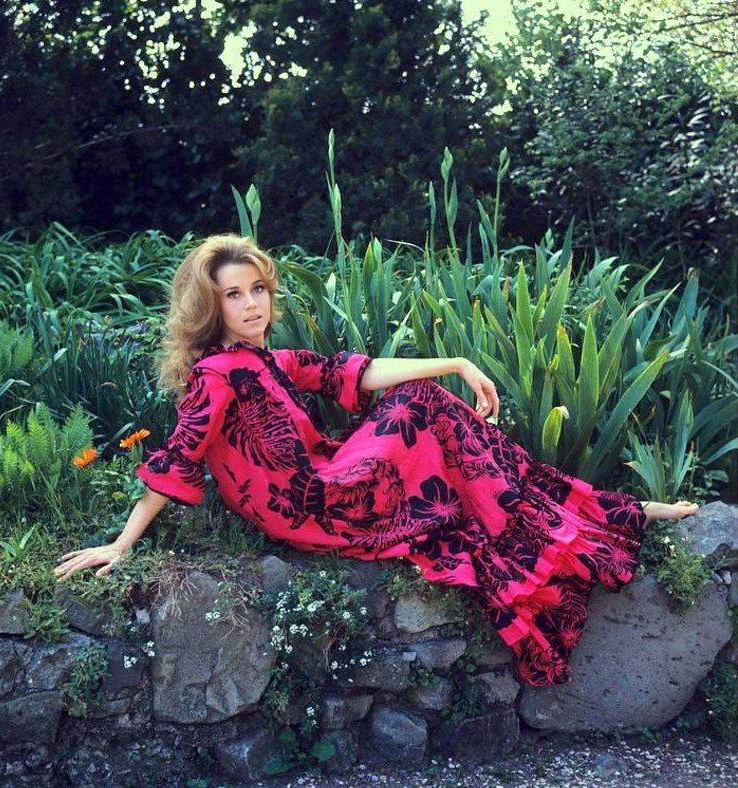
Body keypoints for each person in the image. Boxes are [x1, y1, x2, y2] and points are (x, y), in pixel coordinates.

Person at [54, 233, 700, 686]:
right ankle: (605, 512)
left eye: (259, 289)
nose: (253, 304)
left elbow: (352, 372)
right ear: (209, 304)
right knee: (426, 408)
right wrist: (122, 544)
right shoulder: (217, 375)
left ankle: (595, 511)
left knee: (428, 404)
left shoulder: (267, 361)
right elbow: (177, 458)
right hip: (312, 506)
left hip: (324, 487)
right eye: (234, 294)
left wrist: (457, 361)